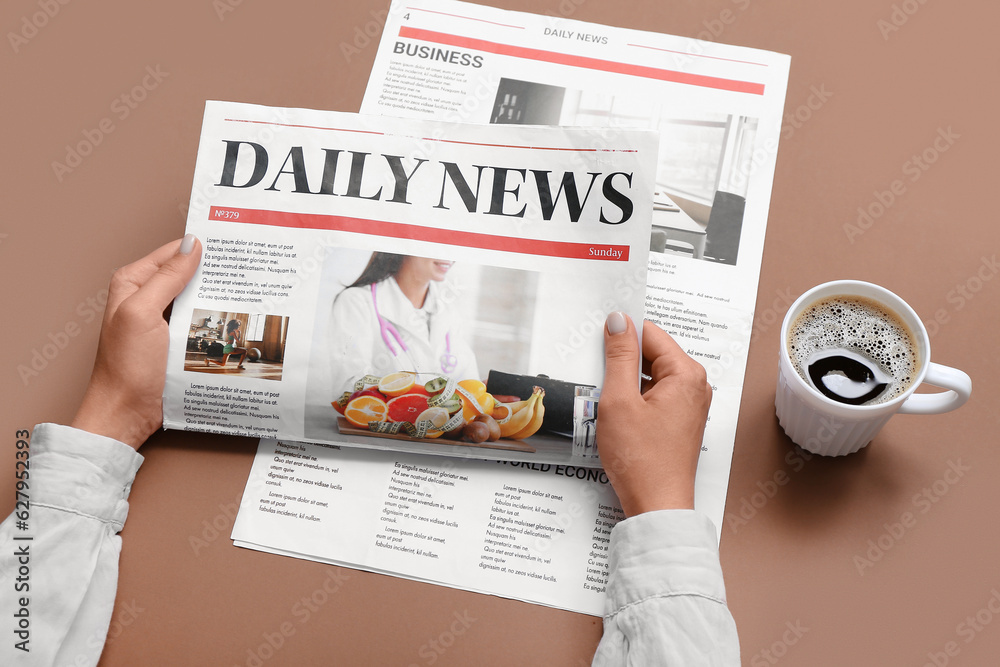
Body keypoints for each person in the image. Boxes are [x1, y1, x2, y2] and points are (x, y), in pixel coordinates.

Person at [0, 236, 739, 665]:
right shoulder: (356, 306)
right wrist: (666, 508)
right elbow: (355, 395)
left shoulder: (447, 311)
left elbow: (466, 390)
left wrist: (107, 413)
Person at [327, 252, 479, 397]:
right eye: (440, 242)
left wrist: (484, 393)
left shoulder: (448, 311)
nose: (451, 255)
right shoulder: (357, 303)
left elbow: (469, 385)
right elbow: (350, 390)